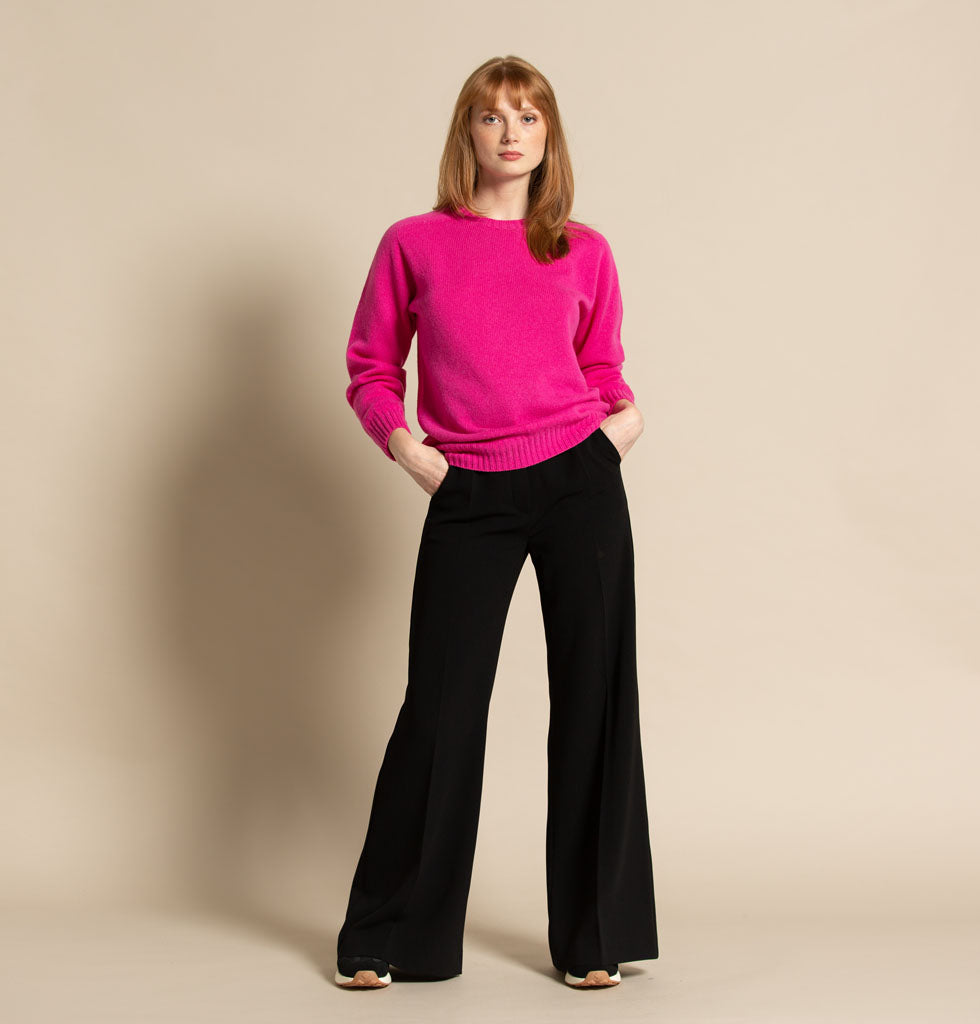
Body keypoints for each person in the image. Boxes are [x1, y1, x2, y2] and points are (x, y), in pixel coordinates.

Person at [334, 55, 658, 991]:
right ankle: (394, 935)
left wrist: (622, 426)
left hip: (578, 481)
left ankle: (595, 939)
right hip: (468, 489)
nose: (510, 133)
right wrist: (410, 452)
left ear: (548, 136)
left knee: (596, 701)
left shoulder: (583, 249)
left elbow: (600, 366)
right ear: (466, 133)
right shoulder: (415, 243)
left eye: (528, 116)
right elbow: (370, 368)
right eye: (491, 116)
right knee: (441, 709)